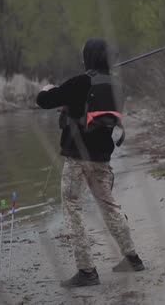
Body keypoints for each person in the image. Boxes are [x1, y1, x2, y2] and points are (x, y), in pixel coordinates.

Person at [36, 38, 144, 288]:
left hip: (77, 160)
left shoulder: (80, 82)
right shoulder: (117, 86)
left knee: (73, 209)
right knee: (110, 207)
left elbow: (44, 102)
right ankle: (133, 258)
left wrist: (47, 88)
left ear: (87, 58)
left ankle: (86, 271)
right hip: (102, 160)